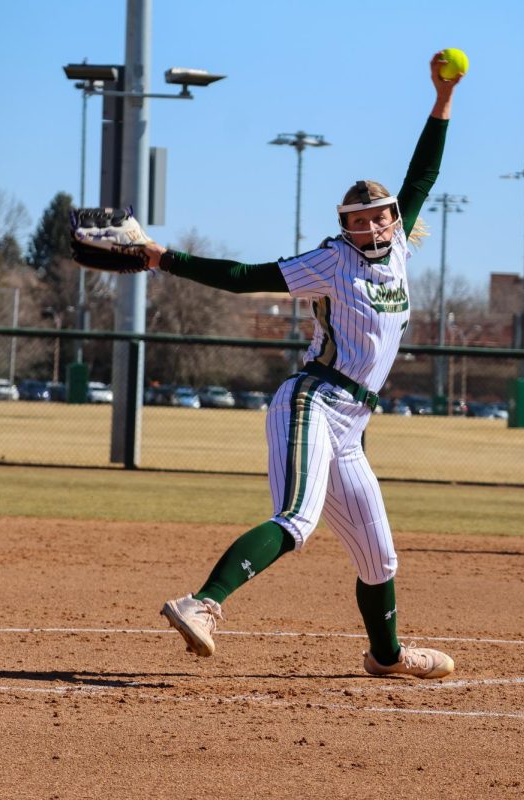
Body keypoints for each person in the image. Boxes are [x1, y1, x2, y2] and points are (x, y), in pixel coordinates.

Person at [74, 53, 461, 679]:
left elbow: (423, 177)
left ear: (393, 219)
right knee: (298, 519)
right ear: (346, 228)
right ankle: (200, 604)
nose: (369, 226)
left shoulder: (396, 254)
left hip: (352, 424)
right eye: (357, 221)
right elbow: (244, 278)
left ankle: (386, 657)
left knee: (379, 557)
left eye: (378, 216)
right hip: (312, 400)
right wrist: (160, 258)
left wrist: (442, 99)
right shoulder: (335, 261)